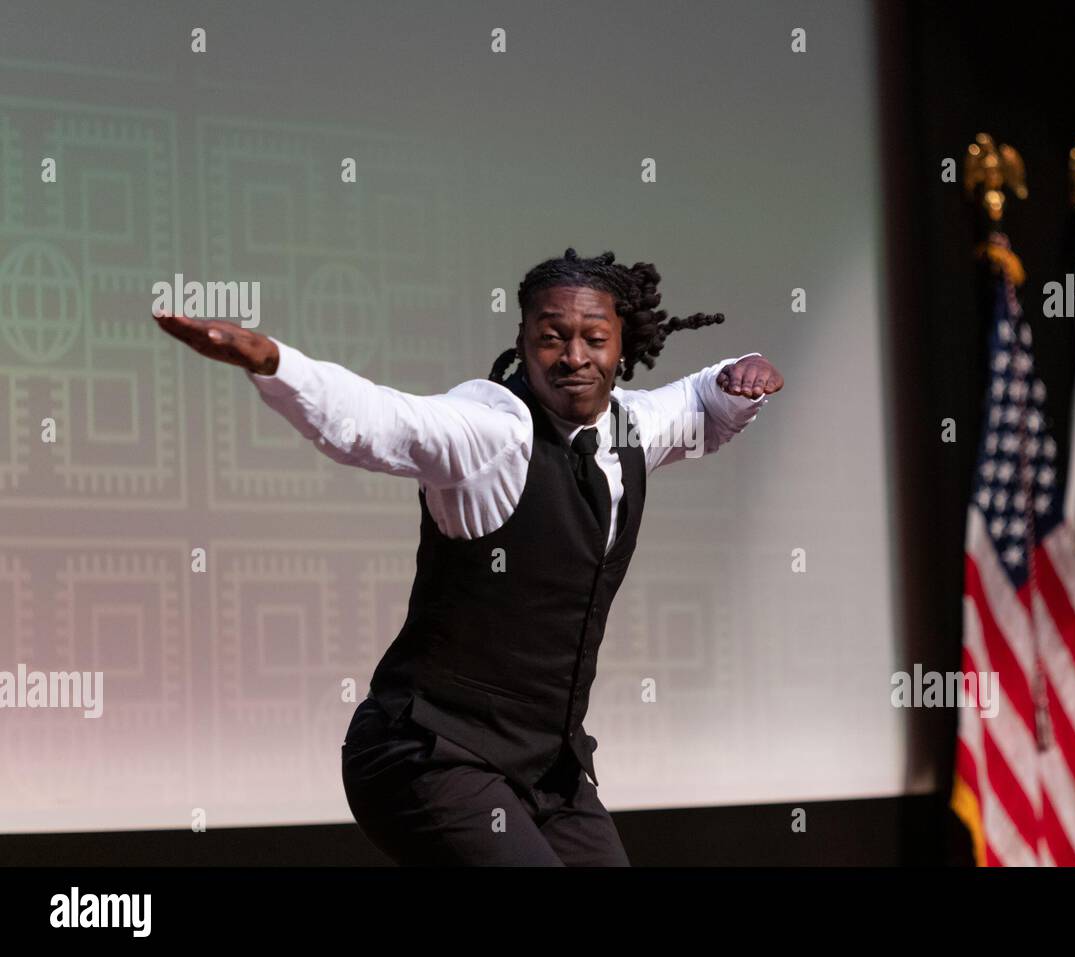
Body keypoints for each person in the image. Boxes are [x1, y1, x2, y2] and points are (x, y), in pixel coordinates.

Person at [154, 247, 783, 865]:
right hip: (429, 753)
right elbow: (381, 422)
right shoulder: (491, 429)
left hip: (546, 770)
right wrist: (273, 362)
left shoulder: (629, 429)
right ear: (523, 338)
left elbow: (700, 401)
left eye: (595, 338)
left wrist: (741, 375)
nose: (574, 357)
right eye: (551, 337)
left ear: (621, 345)